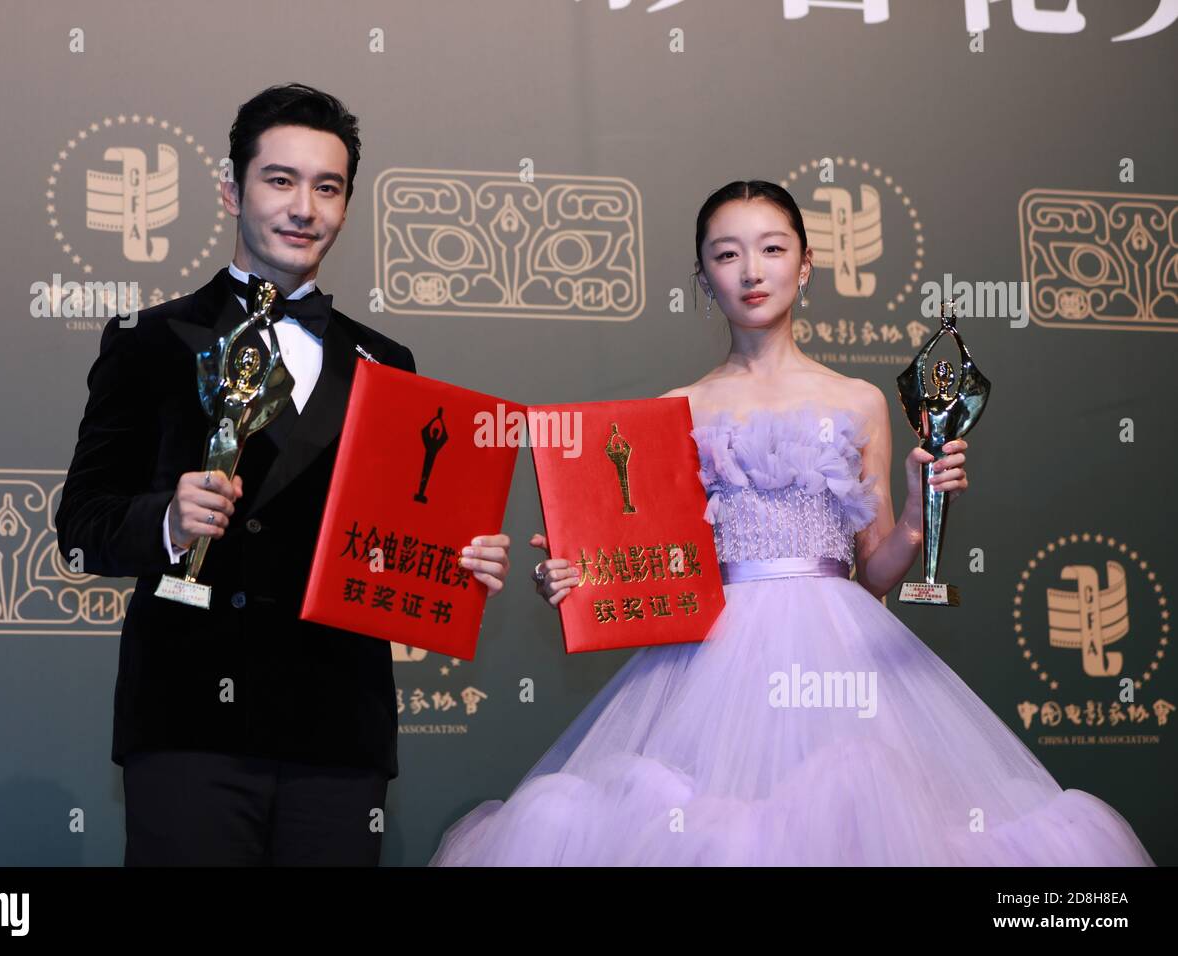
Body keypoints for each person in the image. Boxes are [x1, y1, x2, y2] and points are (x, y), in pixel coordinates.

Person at [428, 181, 1154, 866]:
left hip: (839, 653)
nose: (751, 269)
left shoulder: (859, 400)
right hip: (704, 668)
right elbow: (657, 569)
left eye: (773, 248)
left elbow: (872, 576)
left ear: (806, 265)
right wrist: (581, 572)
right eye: (726, 253)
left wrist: (914, 512)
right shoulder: (673, 409)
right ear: (702, 276)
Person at [55, 84, 511, 866]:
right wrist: (166, 520)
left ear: (346, 204)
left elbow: (396, 534)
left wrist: (454, 564)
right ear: (232, 190)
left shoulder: (387, 362)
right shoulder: (149, 340)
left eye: (327, 188)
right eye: (280, 180)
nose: (304, 207)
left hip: (339, 730)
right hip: (190, 722)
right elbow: (82, 525)